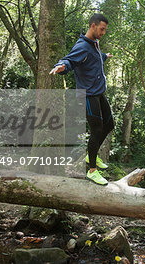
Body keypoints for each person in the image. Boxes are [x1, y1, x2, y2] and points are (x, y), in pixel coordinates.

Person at [49, 13, 114, 186]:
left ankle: (90, 155)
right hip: (88, 95)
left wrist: (104, 56)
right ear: (93, 26)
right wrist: (61, 67)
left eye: (105, 30)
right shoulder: (82, 46)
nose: (103, 32)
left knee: (110, 125)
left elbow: (93, 59)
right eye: (102, 29)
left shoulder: (94, 45)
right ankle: (92, 171)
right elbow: (70, 60)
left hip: (98, 93)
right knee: (97, 130)